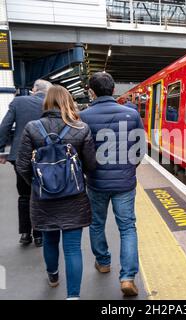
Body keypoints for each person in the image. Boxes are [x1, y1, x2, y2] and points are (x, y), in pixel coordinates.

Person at [16, 85, 96, 300]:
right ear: (68, 102)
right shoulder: (81, 128)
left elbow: (22, 166)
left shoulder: (32, 128)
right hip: (74, 198)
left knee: (50, 240)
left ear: (46, 102)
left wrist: (39, 184)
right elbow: (91, 164)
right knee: (72, 248)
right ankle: (73, 296)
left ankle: (53, 276)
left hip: (43, 199)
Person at [80, 72, 146, 297]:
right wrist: (129, 169)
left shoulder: (84, 116)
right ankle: (127, 277)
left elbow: (81, 151)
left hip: (96, 182)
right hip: (125, 182)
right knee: (127, 227)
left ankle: (103, 262)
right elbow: (140, 149)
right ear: (113, 88)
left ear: (92, 91)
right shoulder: (131, 113)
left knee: (97, 223)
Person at [0, 79, 52, 247]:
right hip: (45, 156)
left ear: (34, 89)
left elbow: (5, 126)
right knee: (41, 194)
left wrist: (1, 150)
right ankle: (39, 235)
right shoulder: (51, 103)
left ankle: (25, 234)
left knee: (24, 195)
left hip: (19, 155)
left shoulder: (18, 101)